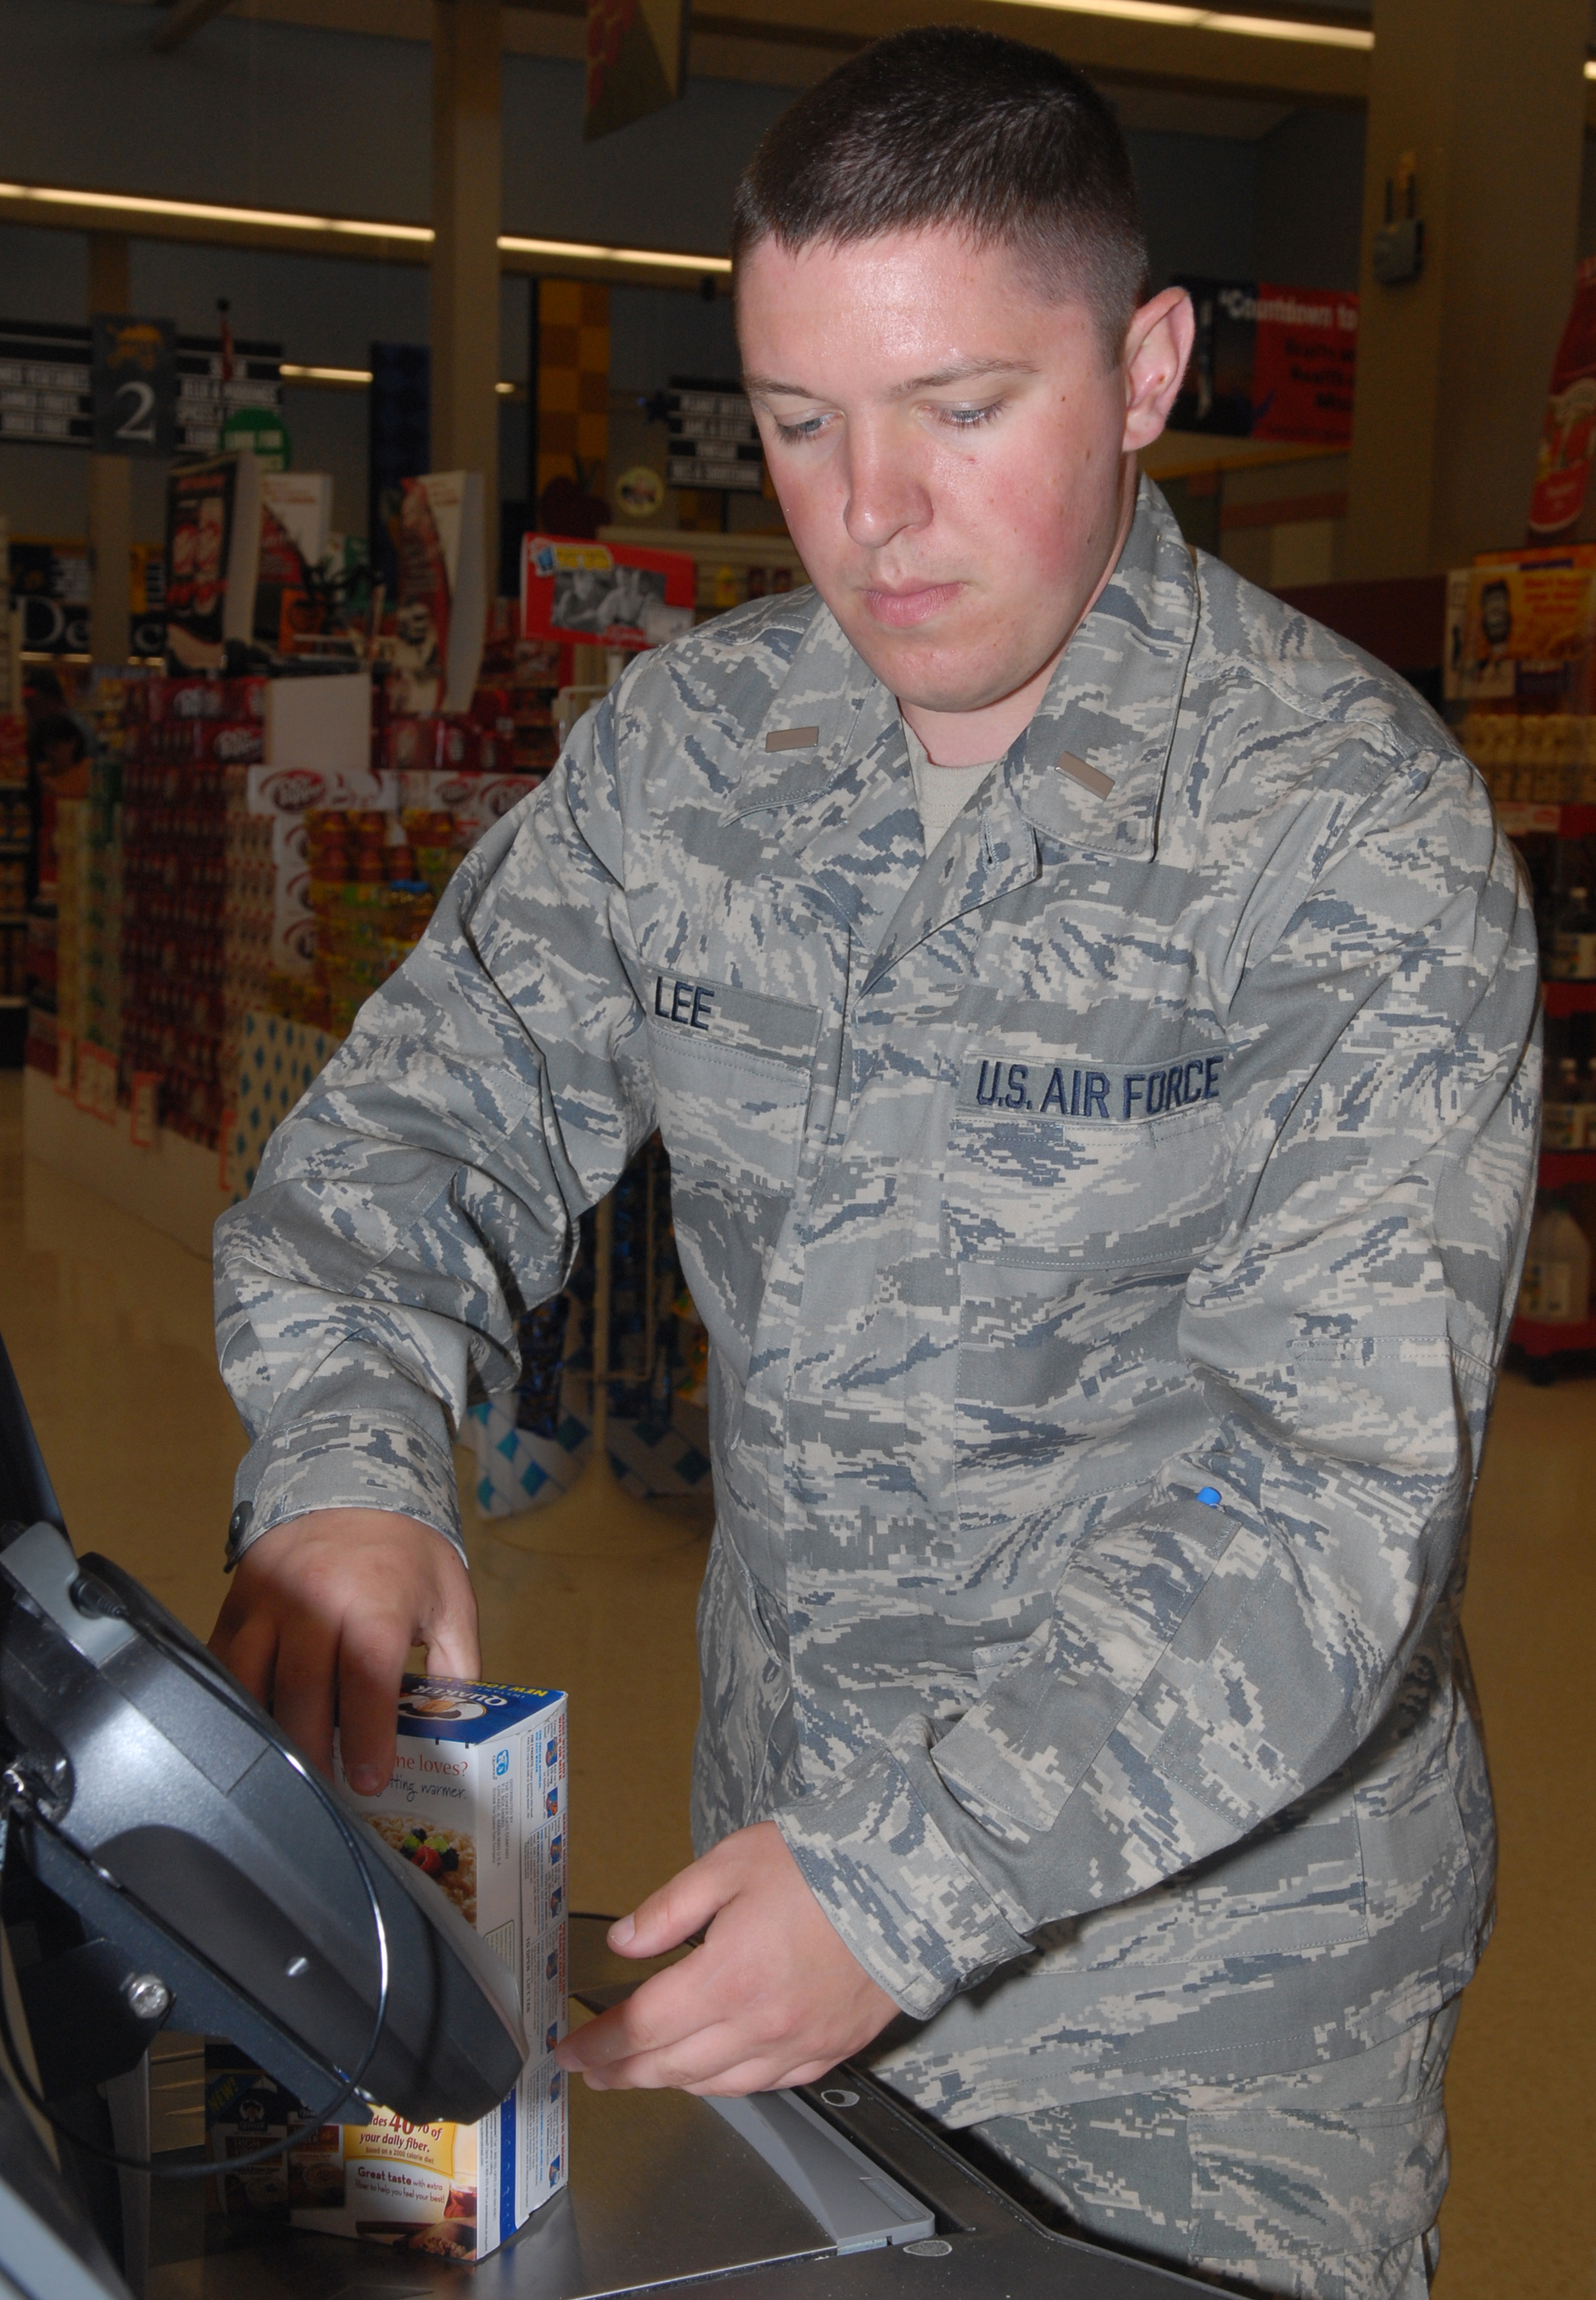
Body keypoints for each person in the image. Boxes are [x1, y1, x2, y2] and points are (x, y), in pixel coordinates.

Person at [209, 29, 1539, 2297]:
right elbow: (415, 1123)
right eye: (801, 424)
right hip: (788, 1900)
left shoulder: (1344, 834)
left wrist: (913, 1876)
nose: (868, 519)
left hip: (1204, 2007)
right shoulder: (695, 753)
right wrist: (343, 1464)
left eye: (959, 410)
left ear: (1139, 368)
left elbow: (1323, 1483)